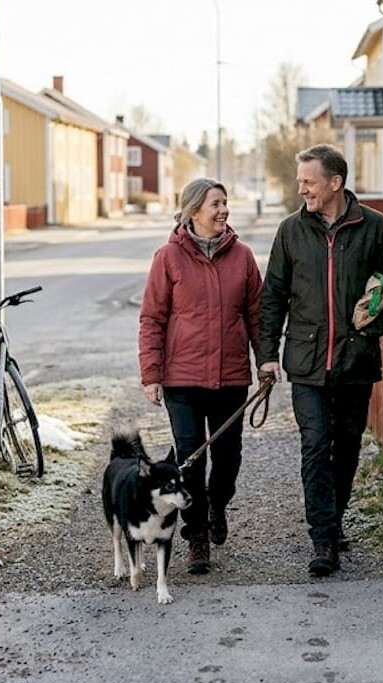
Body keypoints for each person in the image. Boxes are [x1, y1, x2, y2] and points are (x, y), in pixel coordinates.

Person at [257, 144, 383, 577]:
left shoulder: (374, 226)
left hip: (355, 362)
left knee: (346, 448)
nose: (301, 189)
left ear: (335, 182)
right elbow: (273, 297)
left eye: (309, 181)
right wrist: (267, 356)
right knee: (314, 446)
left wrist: (372, 328)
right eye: (300, 181)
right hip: (306, 362)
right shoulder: (290, 231)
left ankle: (335, 517)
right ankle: (322, 539)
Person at [138, 178, 263, 575]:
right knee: (190, 460)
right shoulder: (168, 258)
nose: (224, 210)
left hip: (230, 378)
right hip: (182, 380)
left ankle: (216, 506)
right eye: (215, 204)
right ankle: (196, 536)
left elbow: (257, 316)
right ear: (193, 211)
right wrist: (151, 374)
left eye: (225, 203)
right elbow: (152, 319)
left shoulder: (242, 256)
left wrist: (267, 361)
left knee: (228, 458)